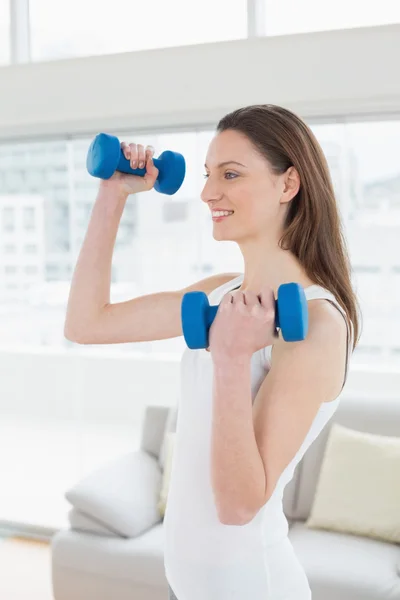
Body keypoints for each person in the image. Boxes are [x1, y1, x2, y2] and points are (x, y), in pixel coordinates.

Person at [64, 104, 361, 600]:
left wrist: (231, 359)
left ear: (288, 185)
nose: (207, 193)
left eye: (230, 174)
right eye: (207, 175)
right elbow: (86, 324)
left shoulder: (318, 323)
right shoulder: (223, 292)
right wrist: (112, 194)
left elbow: (239, 505)